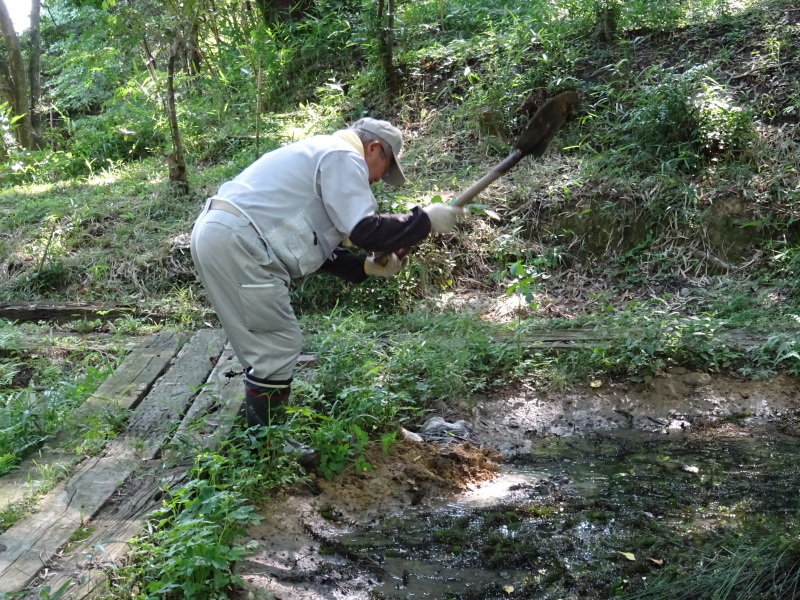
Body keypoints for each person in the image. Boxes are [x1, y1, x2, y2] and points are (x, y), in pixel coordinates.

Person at [190, 117, 465, 431]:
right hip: (240, 241)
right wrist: (425, 220)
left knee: (261, 346)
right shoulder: (342, 155)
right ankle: (267, 448)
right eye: (385, 169)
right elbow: (364, 230)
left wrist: (363, 267)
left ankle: (262, 440)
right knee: (278, 345)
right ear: (373, 148)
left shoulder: (317, 153)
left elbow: (308, 242)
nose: (378, 179)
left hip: (221, 234)